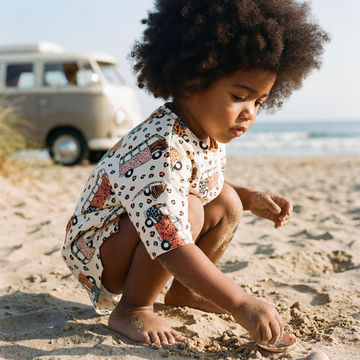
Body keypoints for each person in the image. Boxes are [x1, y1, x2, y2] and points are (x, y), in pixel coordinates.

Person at [62, 0, 329, 347]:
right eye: (239, 96)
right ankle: (133, 307)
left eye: (259, 102)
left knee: (227, 201)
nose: (249, 113)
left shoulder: (200, 132)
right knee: (187, 209)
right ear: (192, 79)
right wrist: (240, 303)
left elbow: (202, 179)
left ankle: (182, 293)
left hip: (138, 230)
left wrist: (250, 199)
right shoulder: (162, 146)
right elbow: (170, 237)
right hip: (99, 250)